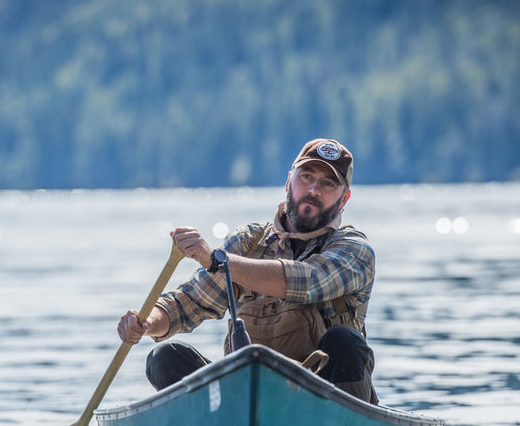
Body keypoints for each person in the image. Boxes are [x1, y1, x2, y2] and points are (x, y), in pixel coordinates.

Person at [117, 138, 378, 404]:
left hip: (321, 406)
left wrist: (218, 261)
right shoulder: (248, 243)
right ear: (289, 181)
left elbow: (307, 280)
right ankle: (221, 424)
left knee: (345, 340)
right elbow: (189, 303)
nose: (313, 190)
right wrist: (146, 322)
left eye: (328, 184)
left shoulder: (355, 250)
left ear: (344, 199)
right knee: (164, 357)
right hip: (245, 401)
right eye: (306, 177)